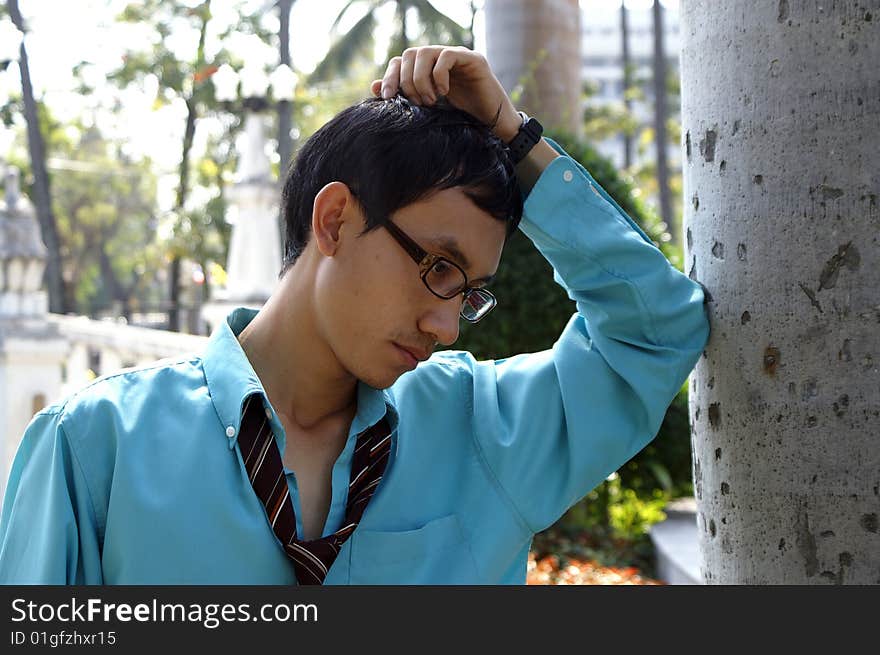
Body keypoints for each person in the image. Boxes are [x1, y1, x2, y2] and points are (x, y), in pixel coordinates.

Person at [0, 46, 709, 584]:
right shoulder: (95, 451)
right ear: (334, 219)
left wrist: (517, 139)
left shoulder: (481, 430)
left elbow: (656, 332)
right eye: (437, 267)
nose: (447, 325)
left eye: (469, 293)